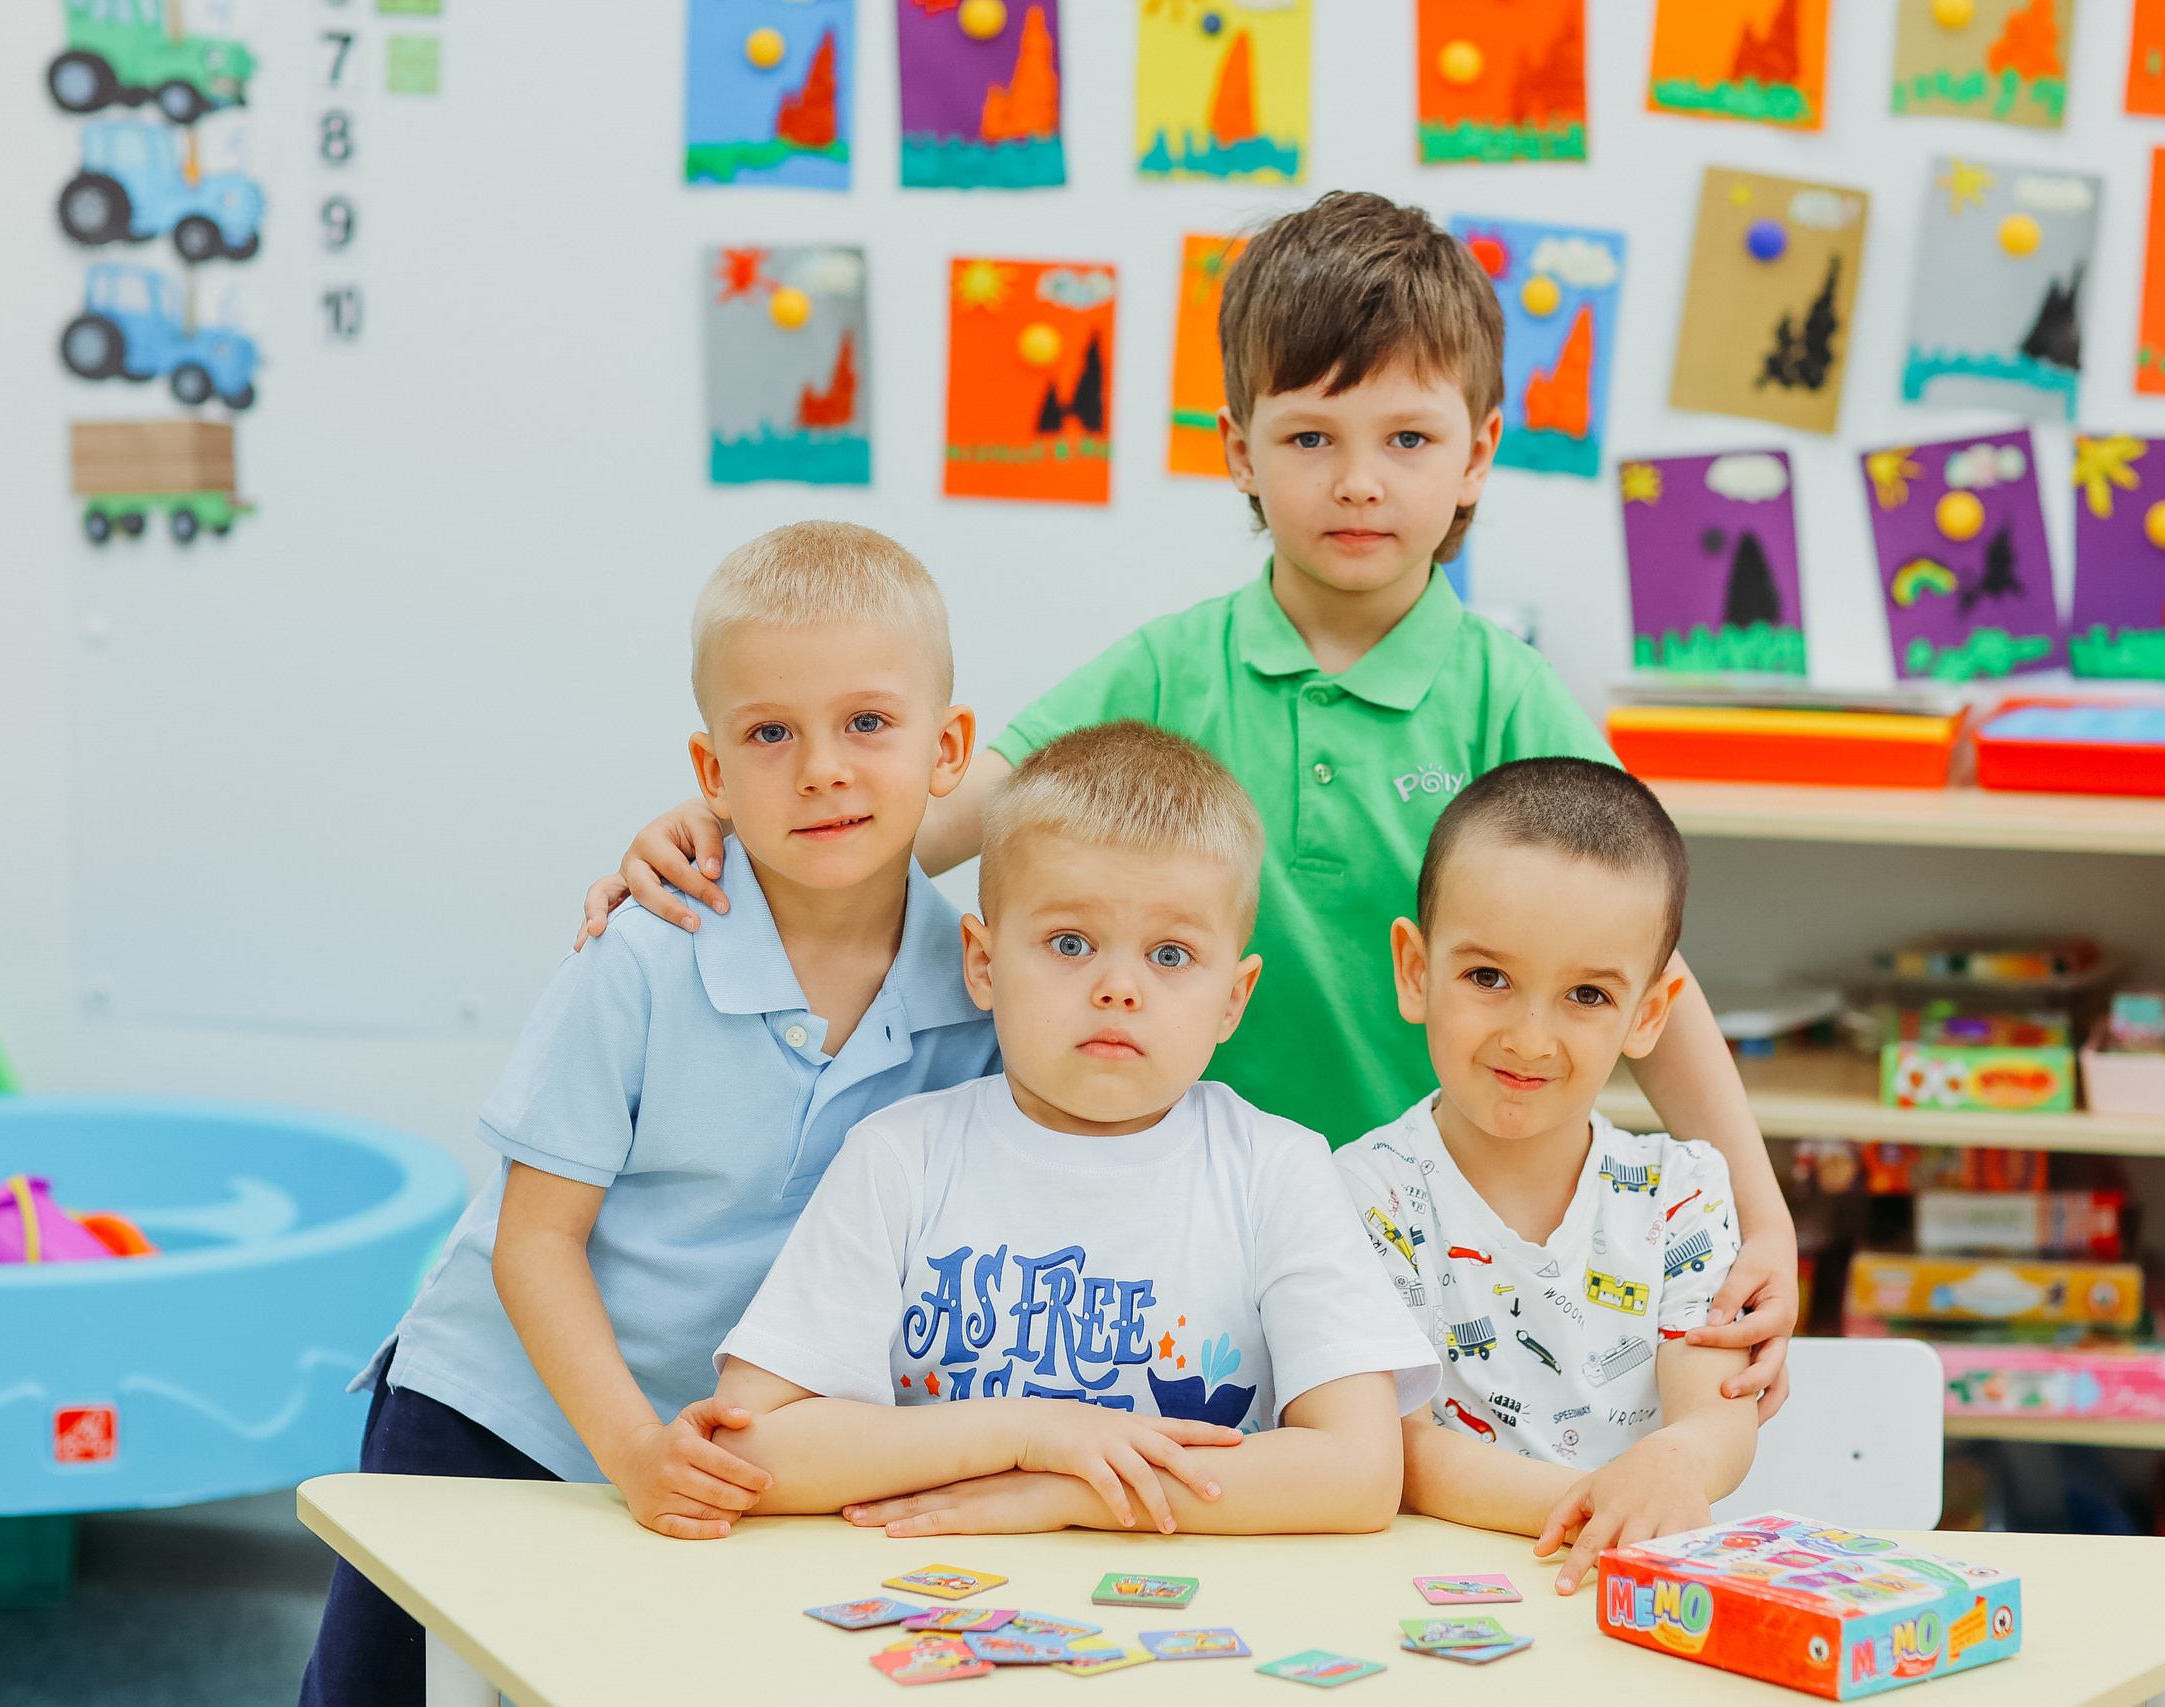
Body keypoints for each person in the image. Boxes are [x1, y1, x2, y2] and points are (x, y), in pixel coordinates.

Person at [576, 189, 1800, 1413]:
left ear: (1479, 450)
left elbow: (1645, 968)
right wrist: (726, 830)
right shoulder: (1166, 669)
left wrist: (1760, 1210)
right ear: (1238, 448)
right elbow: (927, 822)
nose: (1360, 482)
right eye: (1312, 438)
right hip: (1177, 1228)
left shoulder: (1506, 702)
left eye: (1408, 441)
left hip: (1411, 1238)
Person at [299, 523, 1000, 1707]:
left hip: (714, 1451)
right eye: (770, 733)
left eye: (867, 723)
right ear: (710, 770)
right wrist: (626, 1446)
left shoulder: (976, 999)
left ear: (950, 750)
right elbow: (535, 1240)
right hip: (496, 1413)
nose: (822, 767)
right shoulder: (642, 953)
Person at [706, 721, 1437, 1537]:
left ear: (1234, 997)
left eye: (1169, 955)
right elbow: (749, 1447)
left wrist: (1063, 1494)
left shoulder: (1279, 1171)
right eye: (1070, 942)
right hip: (926, 1612)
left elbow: (1362, 1472)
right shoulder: (898, 1158)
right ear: (982, 963)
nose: (1119, 986)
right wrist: (1028, 1434)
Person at [1337, 759, 1755, 1594]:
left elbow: (1719, 1410)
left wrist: (1674, 1460)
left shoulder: (1683, 1190)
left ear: (1649, 1012)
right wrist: (1608, 1505)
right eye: (1488, 977)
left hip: (1634, 1594)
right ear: (1416, 970)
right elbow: (1398, 1448)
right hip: (1431, 1595)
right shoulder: (1365, 1192)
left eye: (1587, 995)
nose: (1530, 1039)